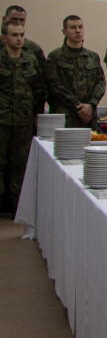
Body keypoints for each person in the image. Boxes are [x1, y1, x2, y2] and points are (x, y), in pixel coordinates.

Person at [1, 20, 46, 215]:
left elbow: (39, 90)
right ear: (4, 38)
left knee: (20, 166)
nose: (19, 38)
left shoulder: (30, 60)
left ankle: (17, 209)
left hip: (23, 122)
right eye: (14, 35)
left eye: (21, 35)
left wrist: (37, 114)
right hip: (1, 121)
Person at [45, 15, 106, 129]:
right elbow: (55, 86)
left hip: (89, 117)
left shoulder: (92, 56)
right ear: (64, 31)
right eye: (73, 28)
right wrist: (79, 107)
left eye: (80, 27)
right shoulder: (55, 57)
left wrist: (91, 105)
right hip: (66, 117)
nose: (78, 31)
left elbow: (100, 82)